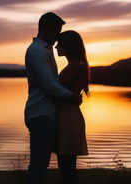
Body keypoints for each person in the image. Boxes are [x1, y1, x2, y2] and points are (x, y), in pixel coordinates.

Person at [24, 12, 82, 184]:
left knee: (48, 164)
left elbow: (53, 82)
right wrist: (72, 96)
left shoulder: (45, 50)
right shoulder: (36, 51)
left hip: (47, 115)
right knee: (39, 165)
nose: (58, 38)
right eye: (57, 31)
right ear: (46, 29)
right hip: (40, 114)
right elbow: (49, 84)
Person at [55, 30, 89, 184]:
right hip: (67, 115)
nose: (55, 47)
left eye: (59, 44)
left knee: (67, 167)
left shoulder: (76, 65)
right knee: (66, 166)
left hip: (68, 118)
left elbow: (55, 88)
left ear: (68, 46)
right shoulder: (75, 65)